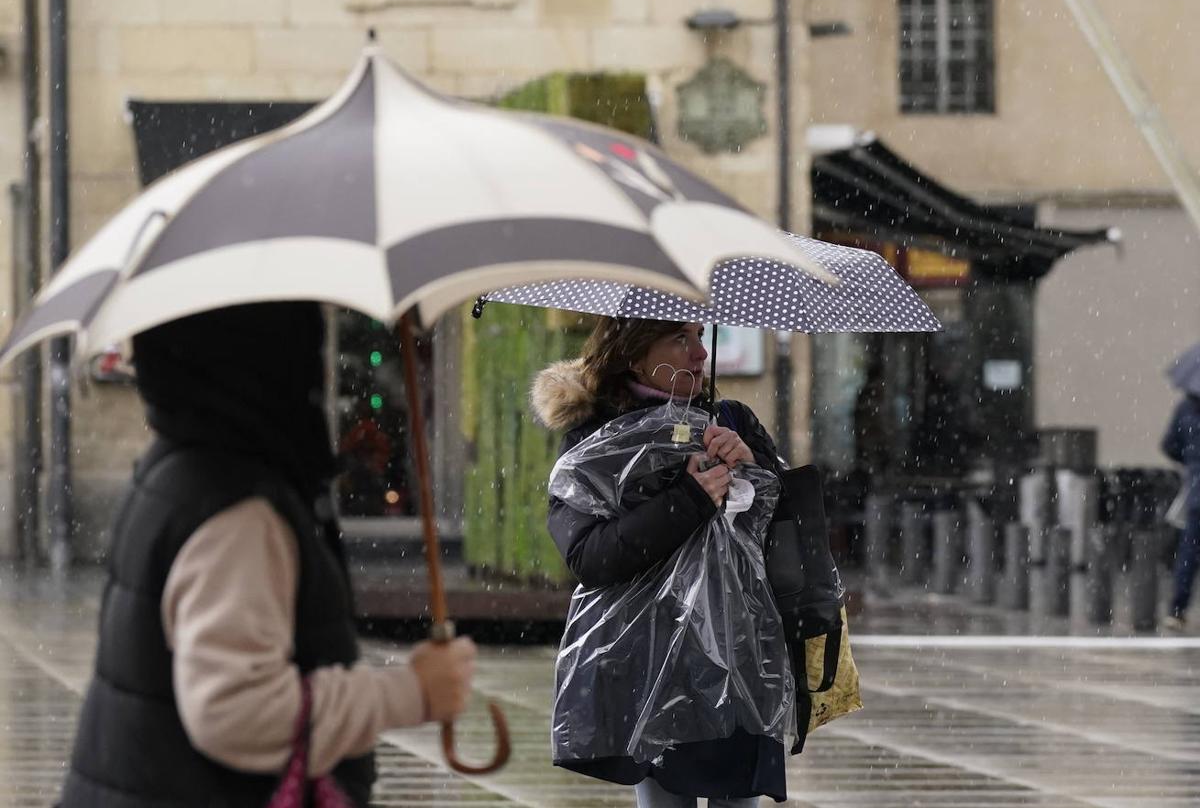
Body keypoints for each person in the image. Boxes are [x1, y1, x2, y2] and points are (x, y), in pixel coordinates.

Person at [59, 302, 477, 808]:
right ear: (266, 358)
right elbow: (238, 712)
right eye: (304, 344)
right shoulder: (238, 513)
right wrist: (412, 691)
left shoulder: (183, 466)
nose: (315, 368)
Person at [532, 317, 788, 807]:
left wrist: (751, 462)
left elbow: (781, 527)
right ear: (634, 355)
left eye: (699, 337)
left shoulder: (729, 419)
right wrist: (688, 499)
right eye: (680, 339)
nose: (700, 354)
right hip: (652, 664)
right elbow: (590, 556)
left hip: (740, 658)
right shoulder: (596, 440)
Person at [1163, 391, 1200, 630]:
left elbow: (1169, 445)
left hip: (1197, 490)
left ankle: (1177, 610)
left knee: (1189, 552)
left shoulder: (1187, 407)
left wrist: (1190, 459)